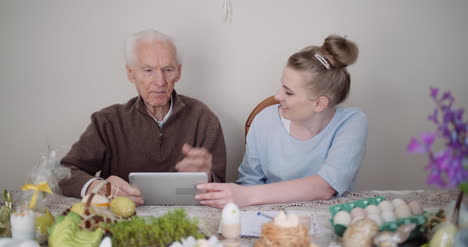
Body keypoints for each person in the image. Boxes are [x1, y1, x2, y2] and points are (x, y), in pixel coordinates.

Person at [196, 35, 367, 208]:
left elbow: (326, 187)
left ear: (319, 103)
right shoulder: (264, 120)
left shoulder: (352, 122)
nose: (277, 96)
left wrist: (247, 195)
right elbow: (249, 181)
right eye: (282, 86)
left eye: (289, 92)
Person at [59, 29, 226, 205]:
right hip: (121, 221)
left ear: (179, 72)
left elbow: (222, 186)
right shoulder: (107, 121)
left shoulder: (203, 118)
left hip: (188, 220)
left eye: (168, 69)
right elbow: (63, 174)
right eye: (148, 70)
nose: (160, 81)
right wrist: (98, 186)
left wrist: (208, 177)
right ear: (130, 73)